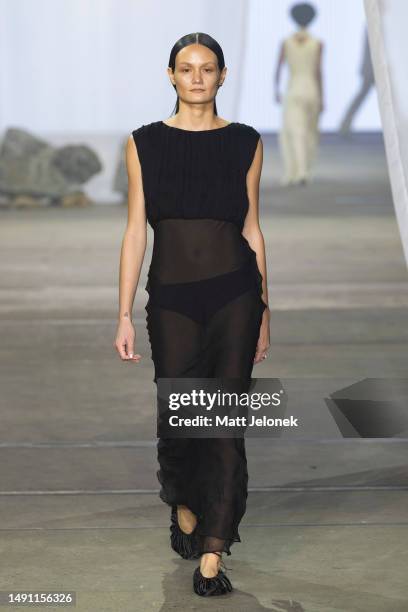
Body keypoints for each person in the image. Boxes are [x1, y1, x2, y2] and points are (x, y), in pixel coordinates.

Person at [114, 32, 270, 597]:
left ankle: (213, 552)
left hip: (236, 294)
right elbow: (135, 230)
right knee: (180, 417)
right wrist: (125, 312)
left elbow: (251, 227)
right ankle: (182, 499)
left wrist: (266, 310)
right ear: (171, 75)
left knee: (225, 423)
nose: (197, 77)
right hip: (173, 299)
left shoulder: (246, 141)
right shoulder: (144, 143)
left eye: (208, 68)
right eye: (187, 68)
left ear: (223, 76)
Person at [275, 2, 324, 185]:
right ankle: (305, 171)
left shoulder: (286, 42)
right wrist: (322, 96)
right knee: (310, 132)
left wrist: (276, 90)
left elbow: (278, 68)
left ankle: (295, 172)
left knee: (293, 131)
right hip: (312, 89)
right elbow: (319, 72)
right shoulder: (317, 43)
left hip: (294, 88)